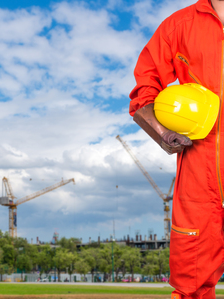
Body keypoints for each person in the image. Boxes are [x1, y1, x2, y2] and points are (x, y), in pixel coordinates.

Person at [130, 0, 224, 298]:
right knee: (191, 280)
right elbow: (146, 83)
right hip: (199, 164)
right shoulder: (180, 25)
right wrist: (161, 132)